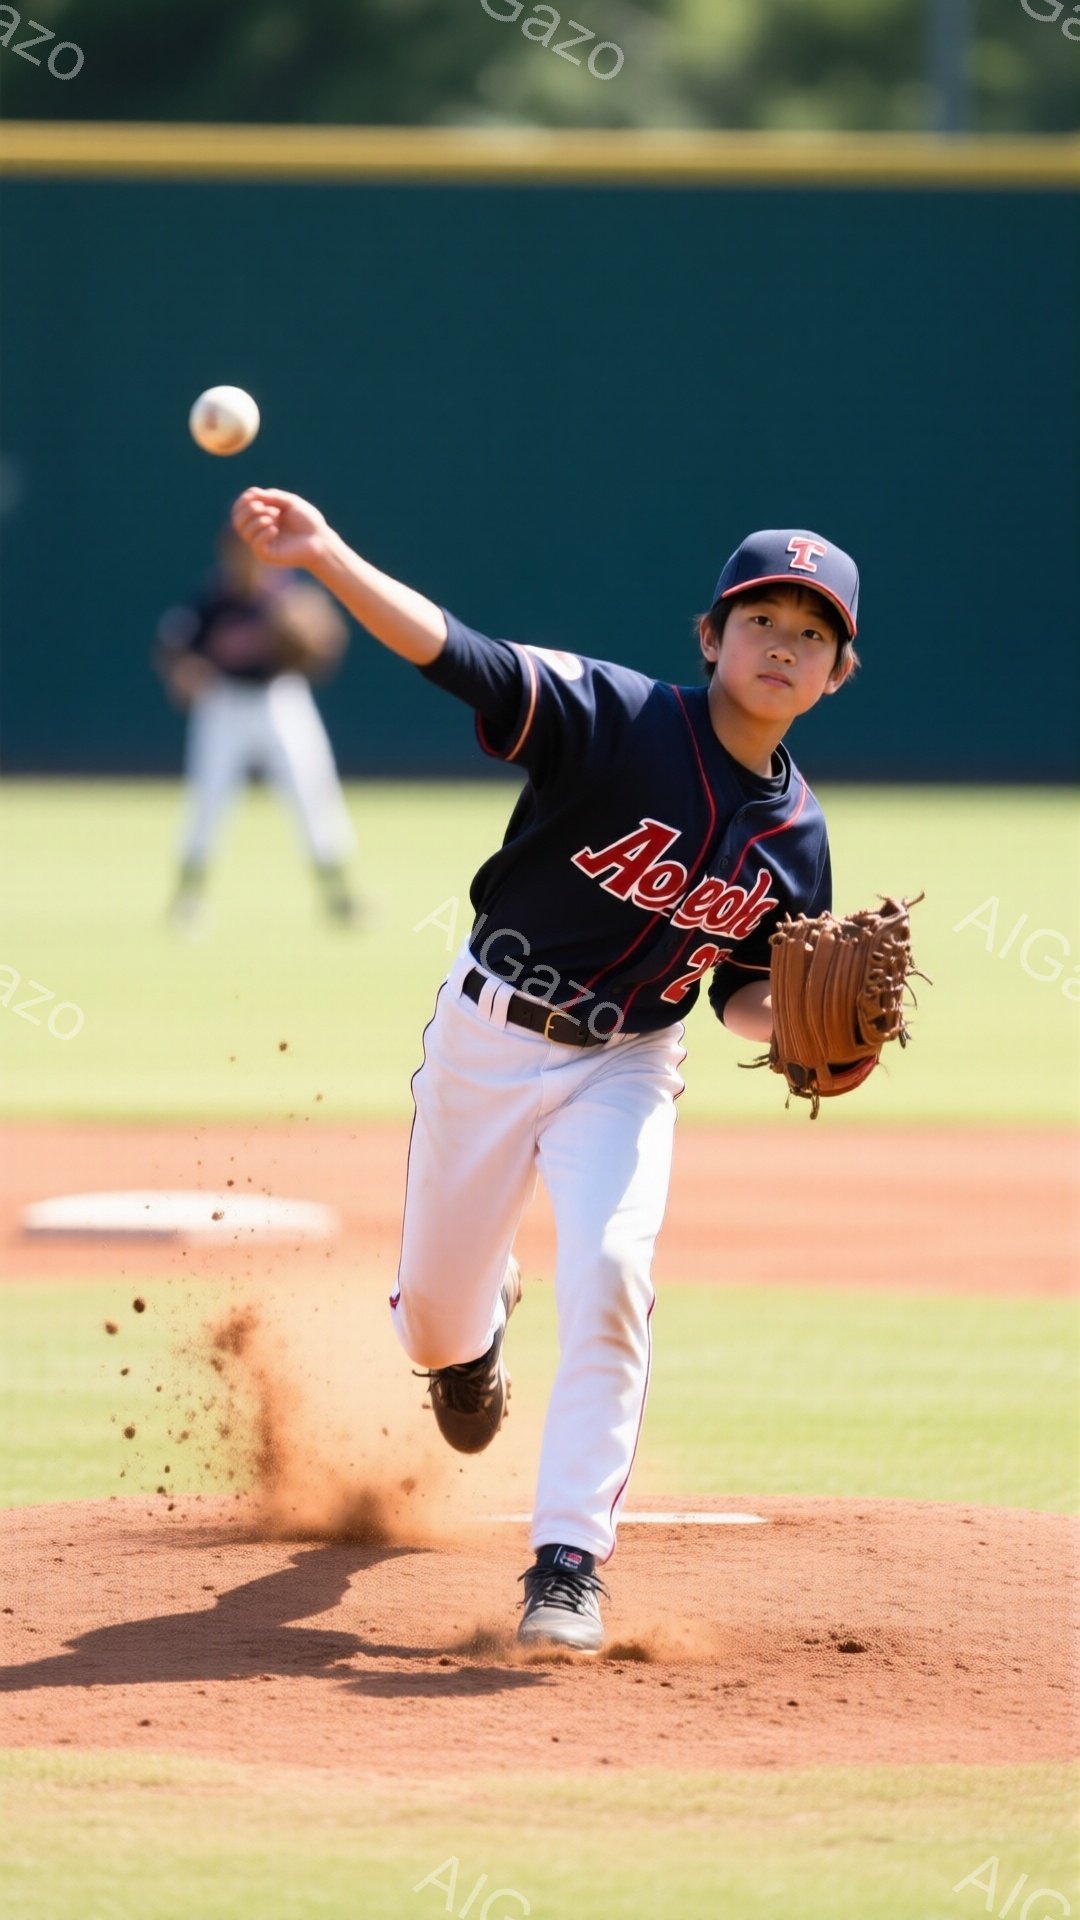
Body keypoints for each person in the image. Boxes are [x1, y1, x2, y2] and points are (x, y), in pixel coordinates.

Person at [231, 487, 860, 1652]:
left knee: (615, 1270)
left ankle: (567, 1564)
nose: (784, 643)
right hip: (489, 1036)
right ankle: (471, 1342)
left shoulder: (799, 840)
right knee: (428, 1327)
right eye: (761, 617)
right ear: (711, 636)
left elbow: (742, 998)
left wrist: (800, 1029)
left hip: (628, 1063)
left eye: (813, 632)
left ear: (836, 673)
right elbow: (457, 656)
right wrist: (325, 555)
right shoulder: (617, 718)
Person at [154, 523, 360, 930]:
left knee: (312, 792)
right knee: (209, 802)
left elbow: (325, 647)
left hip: (281, 700)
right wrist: (185, 672)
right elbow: (173, 651)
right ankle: (188, 899)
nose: (246, 560)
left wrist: (316, 639)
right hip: (224, 703)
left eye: (253, 552)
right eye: (239, 551)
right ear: (227, 554)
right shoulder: (210, 599)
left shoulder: (286, 597)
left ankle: (340, 897)